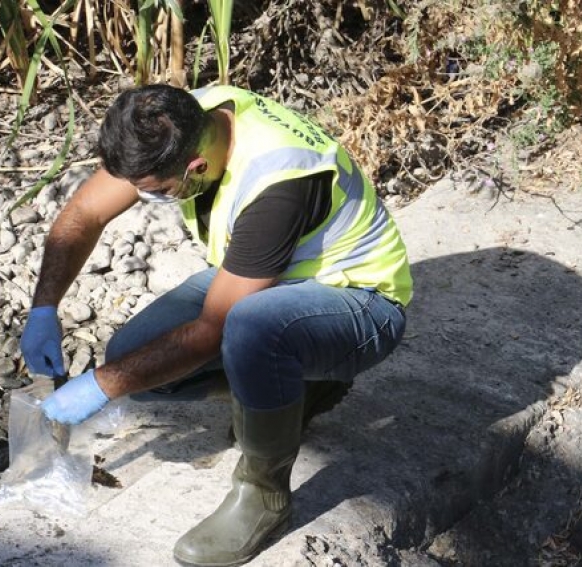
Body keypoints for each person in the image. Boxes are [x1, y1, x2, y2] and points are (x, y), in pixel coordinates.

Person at [20, 84, 412, 566]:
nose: (144, 198)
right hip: (277, 276)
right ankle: (300, 390)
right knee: (138, 362)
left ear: (195, 168)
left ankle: (263, 496)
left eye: (156, 191)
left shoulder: (279, 181)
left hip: (358, 301)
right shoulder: (176, 121)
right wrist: (44, 308)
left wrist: (98, 386)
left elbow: (212, 330)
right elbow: (83, 212)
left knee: (250, 329)